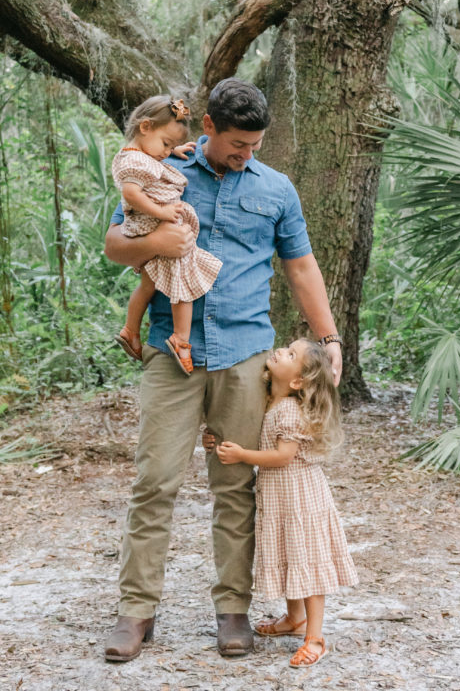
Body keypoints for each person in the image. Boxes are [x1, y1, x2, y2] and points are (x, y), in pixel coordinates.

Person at [102, 78, 343, 664]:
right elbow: (114, 245)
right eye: (237, 143)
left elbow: (301, 266)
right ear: (207, 126)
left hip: (246, 356)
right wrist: (160, 234)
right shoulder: (164, 171)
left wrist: (330, 338)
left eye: (255, 145)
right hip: (172, 352)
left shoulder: (277, 189)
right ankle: (136, 614)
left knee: (235, 489)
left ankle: (233, 611)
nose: (246, 154)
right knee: (154, 484)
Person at [203, 338, 358, 668]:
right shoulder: (269, 402)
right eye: (287, 347)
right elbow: (250, 430)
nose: (281, 351)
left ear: (298, 381)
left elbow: (283, 456)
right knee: (292, 556)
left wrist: (243, 456)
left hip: (301, 499)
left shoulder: (288, 410)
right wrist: (216, 436)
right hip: (282, 499)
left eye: (291, 354)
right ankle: (294, 618)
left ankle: (315, 637)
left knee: (309, 565)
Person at [111, 95, 222, 374]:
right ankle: (181, 340)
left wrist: (171, 150)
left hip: (149, 225)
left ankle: (129, 329)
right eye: (165, 143)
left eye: (170, 146)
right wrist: (161, 213)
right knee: (182, 284)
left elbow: (151, 162)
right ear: (145, 127)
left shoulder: (141, 156)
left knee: (148, 286)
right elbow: (131, 193)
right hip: (155, 226)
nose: (165, 151)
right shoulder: (133, 163)